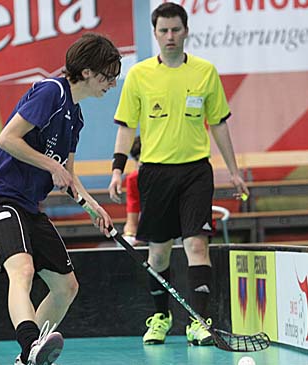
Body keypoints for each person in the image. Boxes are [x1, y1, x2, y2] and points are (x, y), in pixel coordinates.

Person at [0, 33, 120, 365]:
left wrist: (93, 207)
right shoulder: (51, 91)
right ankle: (30, 348)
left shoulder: (76, 117)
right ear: (87, 72)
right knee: (22, 270)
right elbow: (7, 139)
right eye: (108, 75)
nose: (112, 84)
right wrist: (50, 165)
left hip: (28, 206)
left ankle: (29, 360)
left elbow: (68, 175)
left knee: (66, 286)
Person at [108, 3, 248, 347]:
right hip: (155, 174)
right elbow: (126, 126)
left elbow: (219, 124)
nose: (170, 36)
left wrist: (233, 171)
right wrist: (117, 169)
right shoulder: (139, 75)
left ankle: (199, 322)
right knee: (158, 254)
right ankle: (161, 317)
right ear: (155, 34)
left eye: (175, 29)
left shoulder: (205, 72)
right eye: (163, 30)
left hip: (196, 171)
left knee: (196, 245)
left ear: (186, 31)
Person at [122, 136, 145, 246]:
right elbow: (132, 222)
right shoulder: (133, 179)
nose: (140, 165)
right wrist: (130, 236)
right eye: (137, 160)